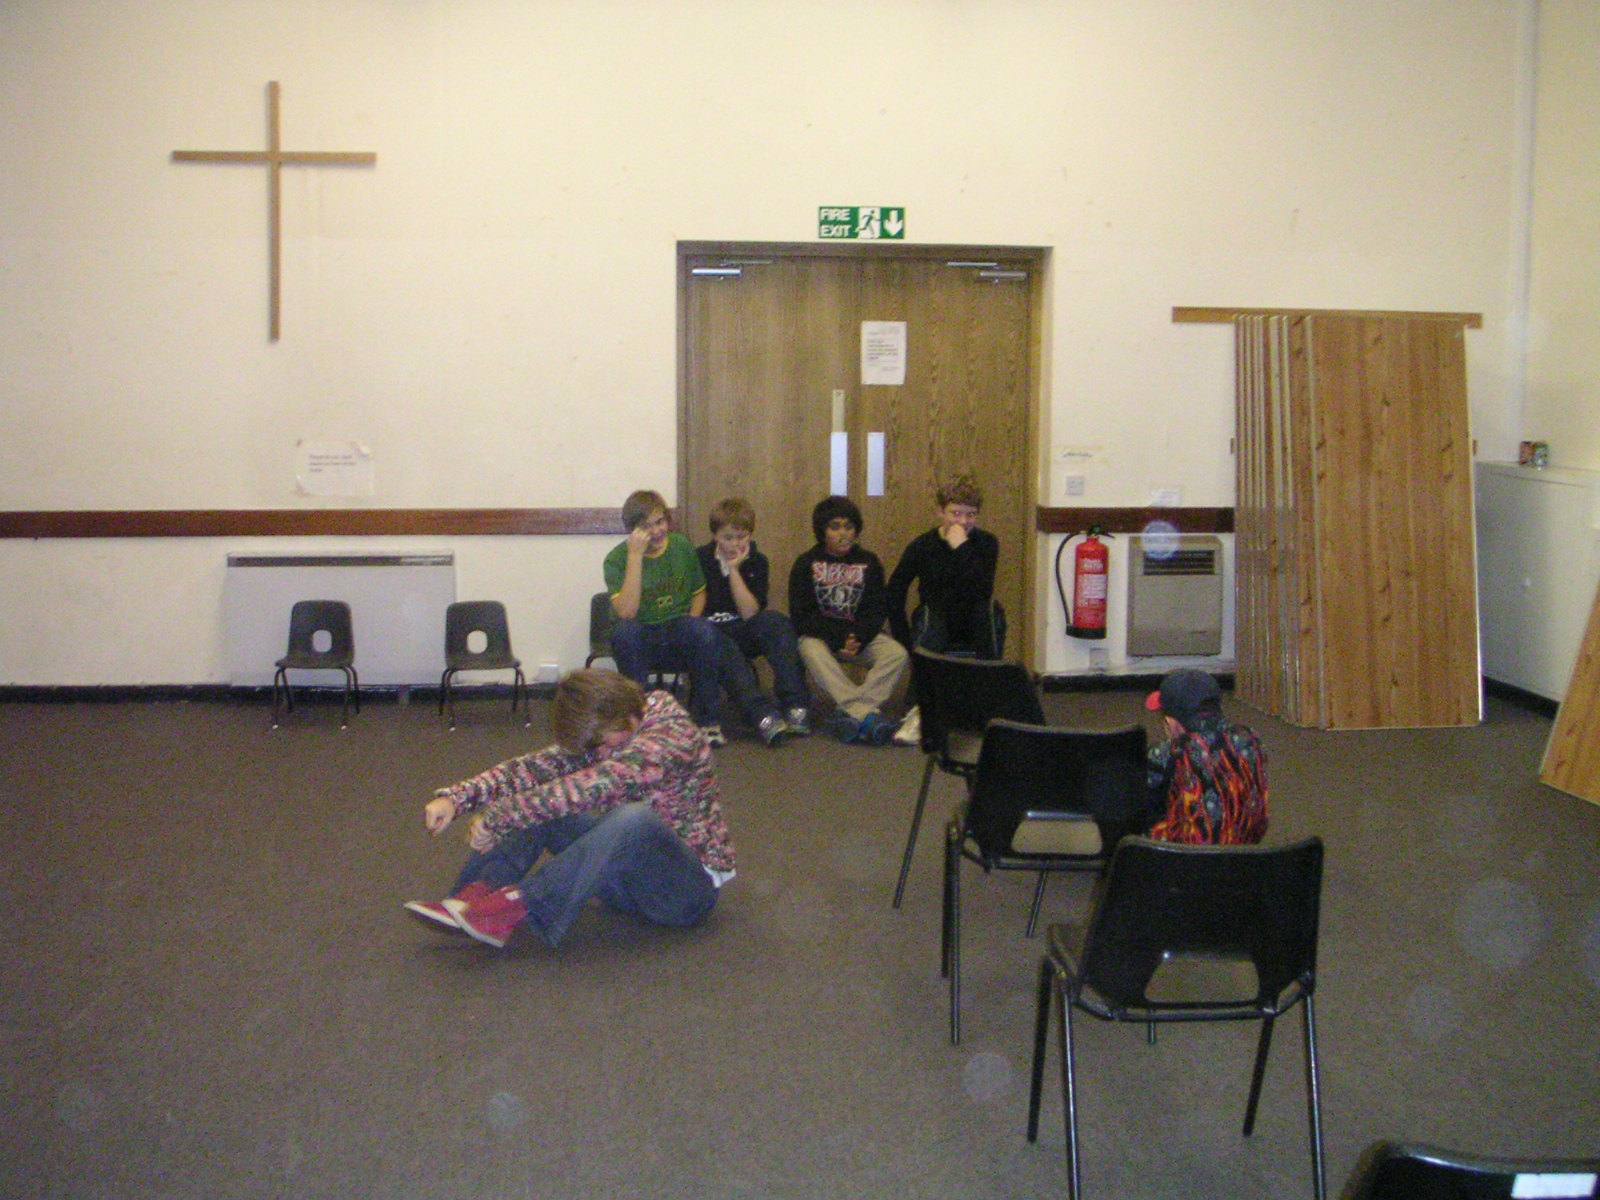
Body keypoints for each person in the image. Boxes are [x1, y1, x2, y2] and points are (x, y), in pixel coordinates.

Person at [403, 670, 735, 949]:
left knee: (634, 818)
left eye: (604, 743)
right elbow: (533, 768)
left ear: (631, 720)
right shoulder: (613, 724)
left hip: (684, 895)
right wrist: (457, 798)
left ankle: (514, 907)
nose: (600, 752)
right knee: (542, 802)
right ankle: (472, 898)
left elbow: (592, 787)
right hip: (628, 879)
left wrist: (497, 818)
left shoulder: (670, 738)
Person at [602, 489, 727, 744]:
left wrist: (692, 623)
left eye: (660, 521)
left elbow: (699, 593)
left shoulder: (681, 545)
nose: (657, 531)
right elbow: (627, 612)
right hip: (641, 631)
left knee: (703, 630)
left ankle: (708, 723)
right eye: (646, 526)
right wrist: (635, 556)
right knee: (624, 634)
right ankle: (639, 723)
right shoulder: (616, 559)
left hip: (676, 626)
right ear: (633, 531)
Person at [788, 495, 909, 745]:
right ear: (822, 532)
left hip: (858, 639)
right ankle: (864, 713)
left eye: (848, 526)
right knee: (808, 647)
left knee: (896, 654)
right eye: (835, 527)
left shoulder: (869, 562)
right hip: (823, 638)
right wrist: (838, 638)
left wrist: (858, 638)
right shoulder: (805, 563)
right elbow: (802, 617)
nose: (843, 534)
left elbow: (877, 610)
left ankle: (850, 713)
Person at [696, 497, 810, 745]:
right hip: (710, 632)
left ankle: (794, 705)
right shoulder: (699, 559)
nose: (735, 544)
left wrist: (734, 570)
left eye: (742, 537)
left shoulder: (757, 561)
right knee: (721, 643)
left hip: (743, 626)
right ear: (715, 536)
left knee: (776, 622)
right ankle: (762, 715)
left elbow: (749, 613)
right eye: (728, 537)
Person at [886, 473, 1004, 658]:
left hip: (974, 617)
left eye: (971, 515)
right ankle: (926, 668)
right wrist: (904, 641)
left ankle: (987, 671)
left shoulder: (987, 542)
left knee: (991, 612)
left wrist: (961, 547)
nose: (963, 522)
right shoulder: (923, 545)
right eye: (956, 514)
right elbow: (895, 590)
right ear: (941, 512)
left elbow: (982, 590)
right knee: (932, 616)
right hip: (936, 616)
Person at [1143, 668, 1268, 844]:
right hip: (1246, 852)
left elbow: (1144, 808)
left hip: (1185, 856)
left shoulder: (1166, 753)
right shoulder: (1250, 739)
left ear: (1172, 723)